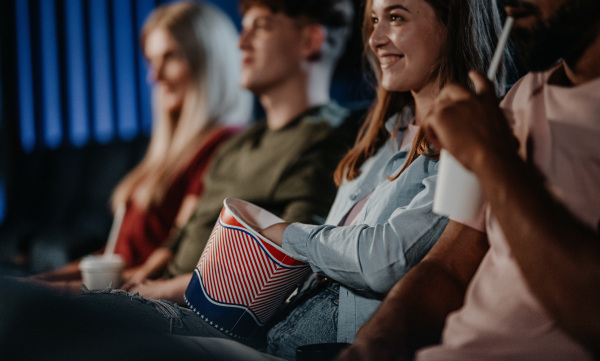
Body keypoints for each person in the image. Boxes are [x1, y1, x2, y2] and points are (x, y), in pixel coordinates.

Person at [337, 0, 600, 360]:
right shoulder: (521, 96)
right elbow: (449, 268)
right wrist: (374, 343)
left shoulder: (488, 128)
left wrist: (491, 157)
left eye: (396, 17)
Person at [86, 0, 356, 303]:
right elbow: (179, 238)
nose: (241, 43)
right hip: (157, 297)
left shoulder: (328, 138)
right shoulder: (235, 145)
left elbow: (288, 261)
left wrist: (152, 293)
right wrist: (136, 282)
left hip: (198, 311)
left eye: (262, 27)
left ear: (310, 41)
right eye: (243, 29)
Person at [29, 1, 253, 288]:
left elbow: (171, 263)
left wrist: (61, 290)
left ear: (207, 61)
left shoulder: (222, 146)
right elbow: (116, 256)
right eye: (151, 61)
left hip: (135, 305)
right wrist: (45, 281)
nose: (154, 76)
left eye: (170, 57)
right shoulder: (169, 151)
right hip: (114, 291)